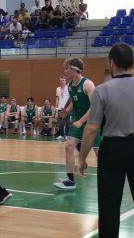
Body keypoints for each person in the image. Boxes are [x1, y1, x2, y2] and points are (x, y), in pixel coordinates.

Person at [78, 43, 133, 238]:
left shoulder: (102, 90)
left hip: (112, 149)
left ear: (111, 63)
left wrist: (82, 158)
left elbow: (92, 129)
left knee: (109, 202)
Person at [53, 58, 99, 189]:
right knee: (69, 146)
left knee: (98, 153)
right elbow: (74, 101)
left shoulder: (87, 84)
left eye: (67, 68)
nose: (65, 71)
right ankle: (70, 180)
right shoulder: (70, 85)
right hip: (78, 121)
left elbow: (95, 106)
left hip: (92, 122)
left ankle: (108, 179)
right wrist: (66, 111)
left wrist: (81, 121)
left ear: (74, 69)